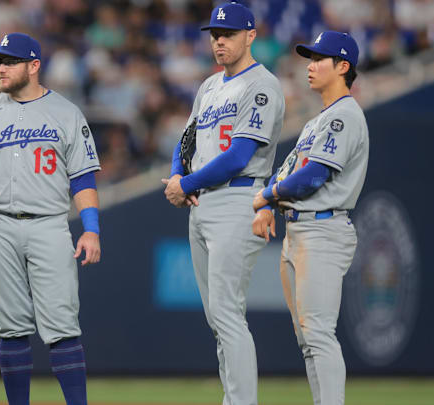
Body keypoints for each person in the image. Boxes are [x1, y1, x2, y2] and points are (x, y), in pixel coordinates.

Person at [0, 32, 101, 405]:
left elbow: (82, 177)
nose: (1, 68)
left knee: (62, 326)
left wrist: (91, 230)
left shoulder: (66, 112)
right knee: (11, 328)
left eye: (9, 61)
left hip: (49, 223)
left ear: (33, 66)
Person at [162, 3, 285, 404]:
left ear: (251, 36)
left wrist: (187, 183)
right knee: (219, 319)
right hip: (202, 204)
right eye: (215, 34)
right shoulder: (209, 86)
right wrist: (179, 175)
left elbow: (239, 155)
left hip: (238, 198)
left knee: (227, 314)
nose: (219, 40)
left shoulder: (262, 84)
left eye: (228, 33)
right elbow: (187, 140)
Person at [251, 31, 368, 405]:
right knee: (307, 339)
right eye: (309, 58)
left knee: (318, 333)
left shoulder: (346, 115)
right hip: (298, 231)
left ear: (343, 66)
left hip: (324, 229)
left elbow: (313, 176)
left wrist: (267, 197)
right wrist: (270, 202)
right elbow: (285, 173)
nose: (310, 65)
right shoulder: (318, 122)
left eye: (320, 58)